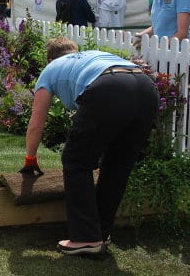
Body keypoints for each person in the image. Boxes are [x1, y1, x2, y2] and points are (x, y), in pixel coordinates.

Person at [21, 37, 158, 255]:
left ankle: (86, 238)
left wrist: (30, 158)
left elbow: (37, 122)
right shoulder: (90, 57)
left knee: (76, 161)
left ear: (49, 58)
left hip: (109, 87)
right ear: (75, 51)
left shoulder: (50, 69)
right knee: (117, 165)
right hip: (147, 88)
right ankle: (100, 232)